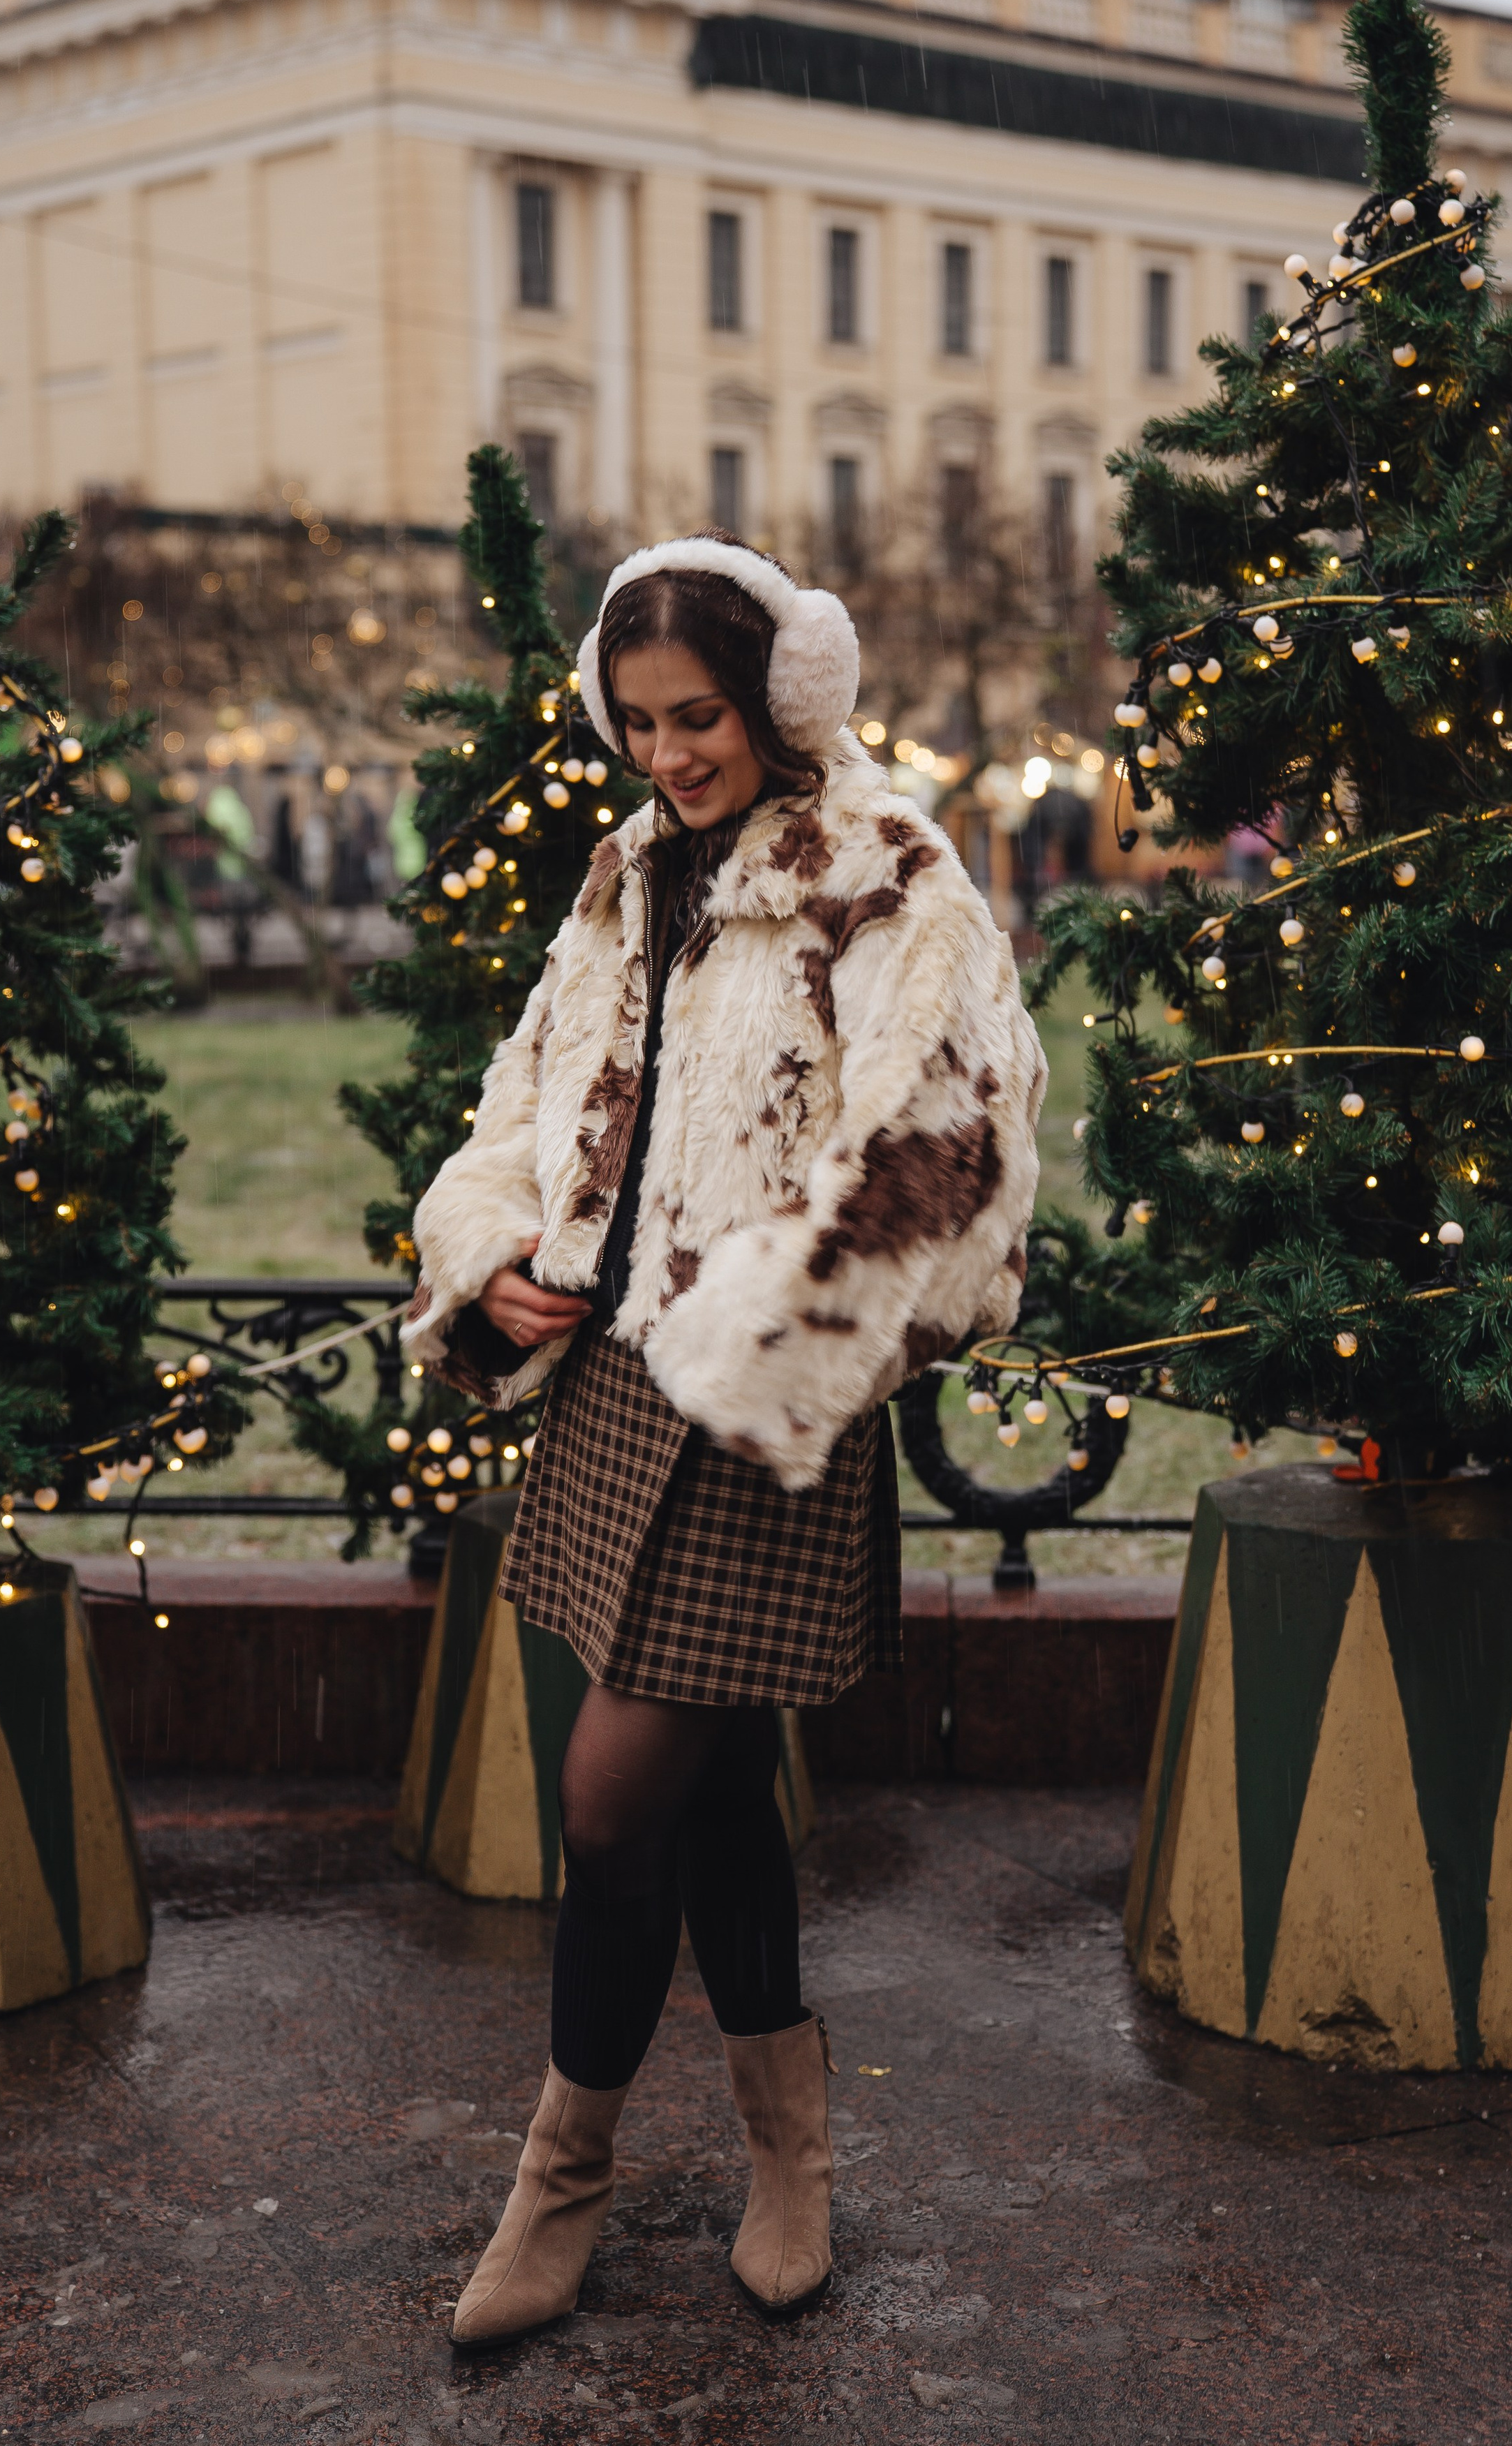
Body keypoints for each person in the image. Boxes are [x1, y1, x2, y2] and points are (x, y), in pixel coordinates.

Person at [401, 532, 1046, 2348]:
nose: (670, 751)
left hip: (769, 1398)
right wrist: (496, 1263)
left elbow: (950, 1144)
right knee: (699, 1783)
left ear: (781, 699)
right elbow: (528, 1099)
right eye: (640, 720)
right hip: (615, 1381)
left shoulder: (882, 874)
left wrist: (766, 1332)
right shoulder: (626, 876)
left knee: (609, 1802)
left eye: (701, 716)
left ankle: (559, 2186)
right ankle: (790, 2151)